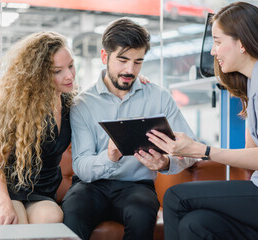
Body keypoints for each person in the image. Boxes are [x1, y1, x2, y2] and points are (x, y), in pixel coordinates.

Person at [147, 2, 258, 239]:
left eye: (217, 42)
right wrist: (185, 153)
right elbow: (254, 157)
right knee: (196, 224)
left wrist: (202, 150)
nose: (212, 51)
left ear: (242, 43)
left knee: (176, 197)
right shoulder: (253, 82)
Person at [61, 18, 197, 240]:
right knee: (74, 214)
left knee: (142, 213)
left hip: (137, 187)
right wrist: (110, 156)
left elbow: (191, 149)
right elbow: (82, 167)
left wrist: (166, 163)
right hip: (90, 187)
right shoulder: (83, 104)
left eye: (138, 62)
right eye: (123, 60)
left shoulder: (159, 97)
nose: (130, 70)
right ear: (105, 57)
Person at [0, 31, 76, 225]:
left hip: (41, 188)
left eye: (71, 65)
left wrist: (137, 82)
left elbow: (103, 95)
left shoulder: (71, 102)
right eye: (57, 71)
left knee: (52, 218)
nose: (69, 75)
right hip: (4, 186)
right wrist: (4, 204)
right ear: (38, 74)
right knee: (14, 225)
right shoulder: (16, 105)